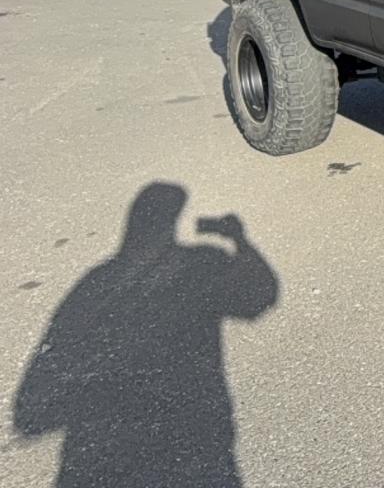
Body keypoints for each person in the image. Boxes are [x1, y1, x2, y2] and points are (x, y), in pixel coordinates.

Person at [13, 183, 278, 488]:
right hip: (196, 437)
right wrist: (240, 240)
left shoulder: (97, 281)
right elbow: (260, 297)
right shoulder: (202, 262)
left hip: (107, 451)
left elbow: (31, 414)